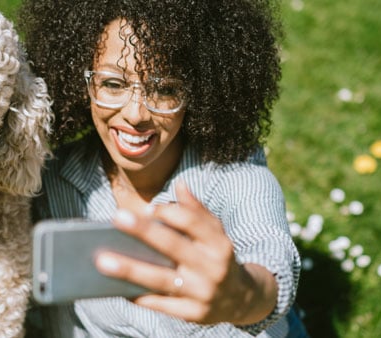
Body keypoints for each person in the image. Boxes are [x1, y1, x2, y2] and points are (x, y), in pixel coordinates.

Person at [20, 0, 306, 336]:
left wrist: (240, 295)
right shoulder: (49, 177)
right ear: (81, 82)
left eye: (166, 89)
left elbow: (270, 266)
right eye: (113, 84)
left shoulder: (238, 180)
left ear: (200, 90)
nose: (136, 114)